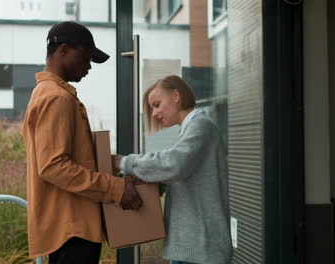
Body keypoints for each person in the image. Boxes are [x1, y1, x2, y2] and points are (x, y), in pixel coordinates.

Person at [22, 21, 143, 264]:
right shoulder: (57, 97)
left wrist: (119, 166)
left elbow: (74, 159)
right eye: (86, 56)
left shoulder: (46, 93)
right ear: (63, 50)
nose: (89, 66)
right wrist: (116, 189)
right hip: (73, 229)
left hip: (66, 227)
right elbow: (54, 166)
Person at [112, 75, 233, 264]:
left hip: (200, 252)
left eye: (157, 104)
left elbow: (174, 163)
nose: (154, 114)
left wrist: (124, 162)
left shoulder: (201, 126)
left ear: (176, 95)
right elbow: (182, 173)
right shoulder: (191, 130)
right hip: (192, 250)